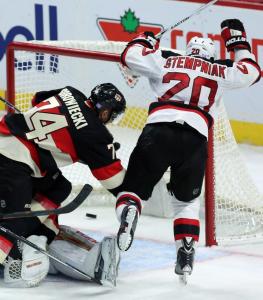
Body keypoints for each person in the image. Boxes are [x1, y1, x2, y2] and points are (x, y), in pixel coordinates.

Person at [114, 19, 261, 282]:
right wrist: (237, 42)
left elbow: (130, 56)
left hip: (158, 131)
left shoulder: (165, 60)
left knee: (133, 191)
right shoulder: (218, 70)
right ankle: (186, 247)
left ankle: (129, 215)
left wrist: (145, 39)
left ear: (188, 50)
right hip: (195, 139)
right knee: (185, 201)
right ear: (211, 55)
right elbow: (252, 71)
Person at [0, 83, 126, 287]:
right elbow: (114, 180)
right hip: (13, 159)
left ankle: (36, 237)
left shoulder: (71, 92)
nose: (111, 120)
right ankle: (16, 245)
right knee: (14, 223)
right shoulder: (95, 134)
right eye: (112, 114)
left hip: (11, 140)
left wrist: (81, 147)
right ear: (105, 111)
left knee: (60, 187)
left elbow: (37, 99)